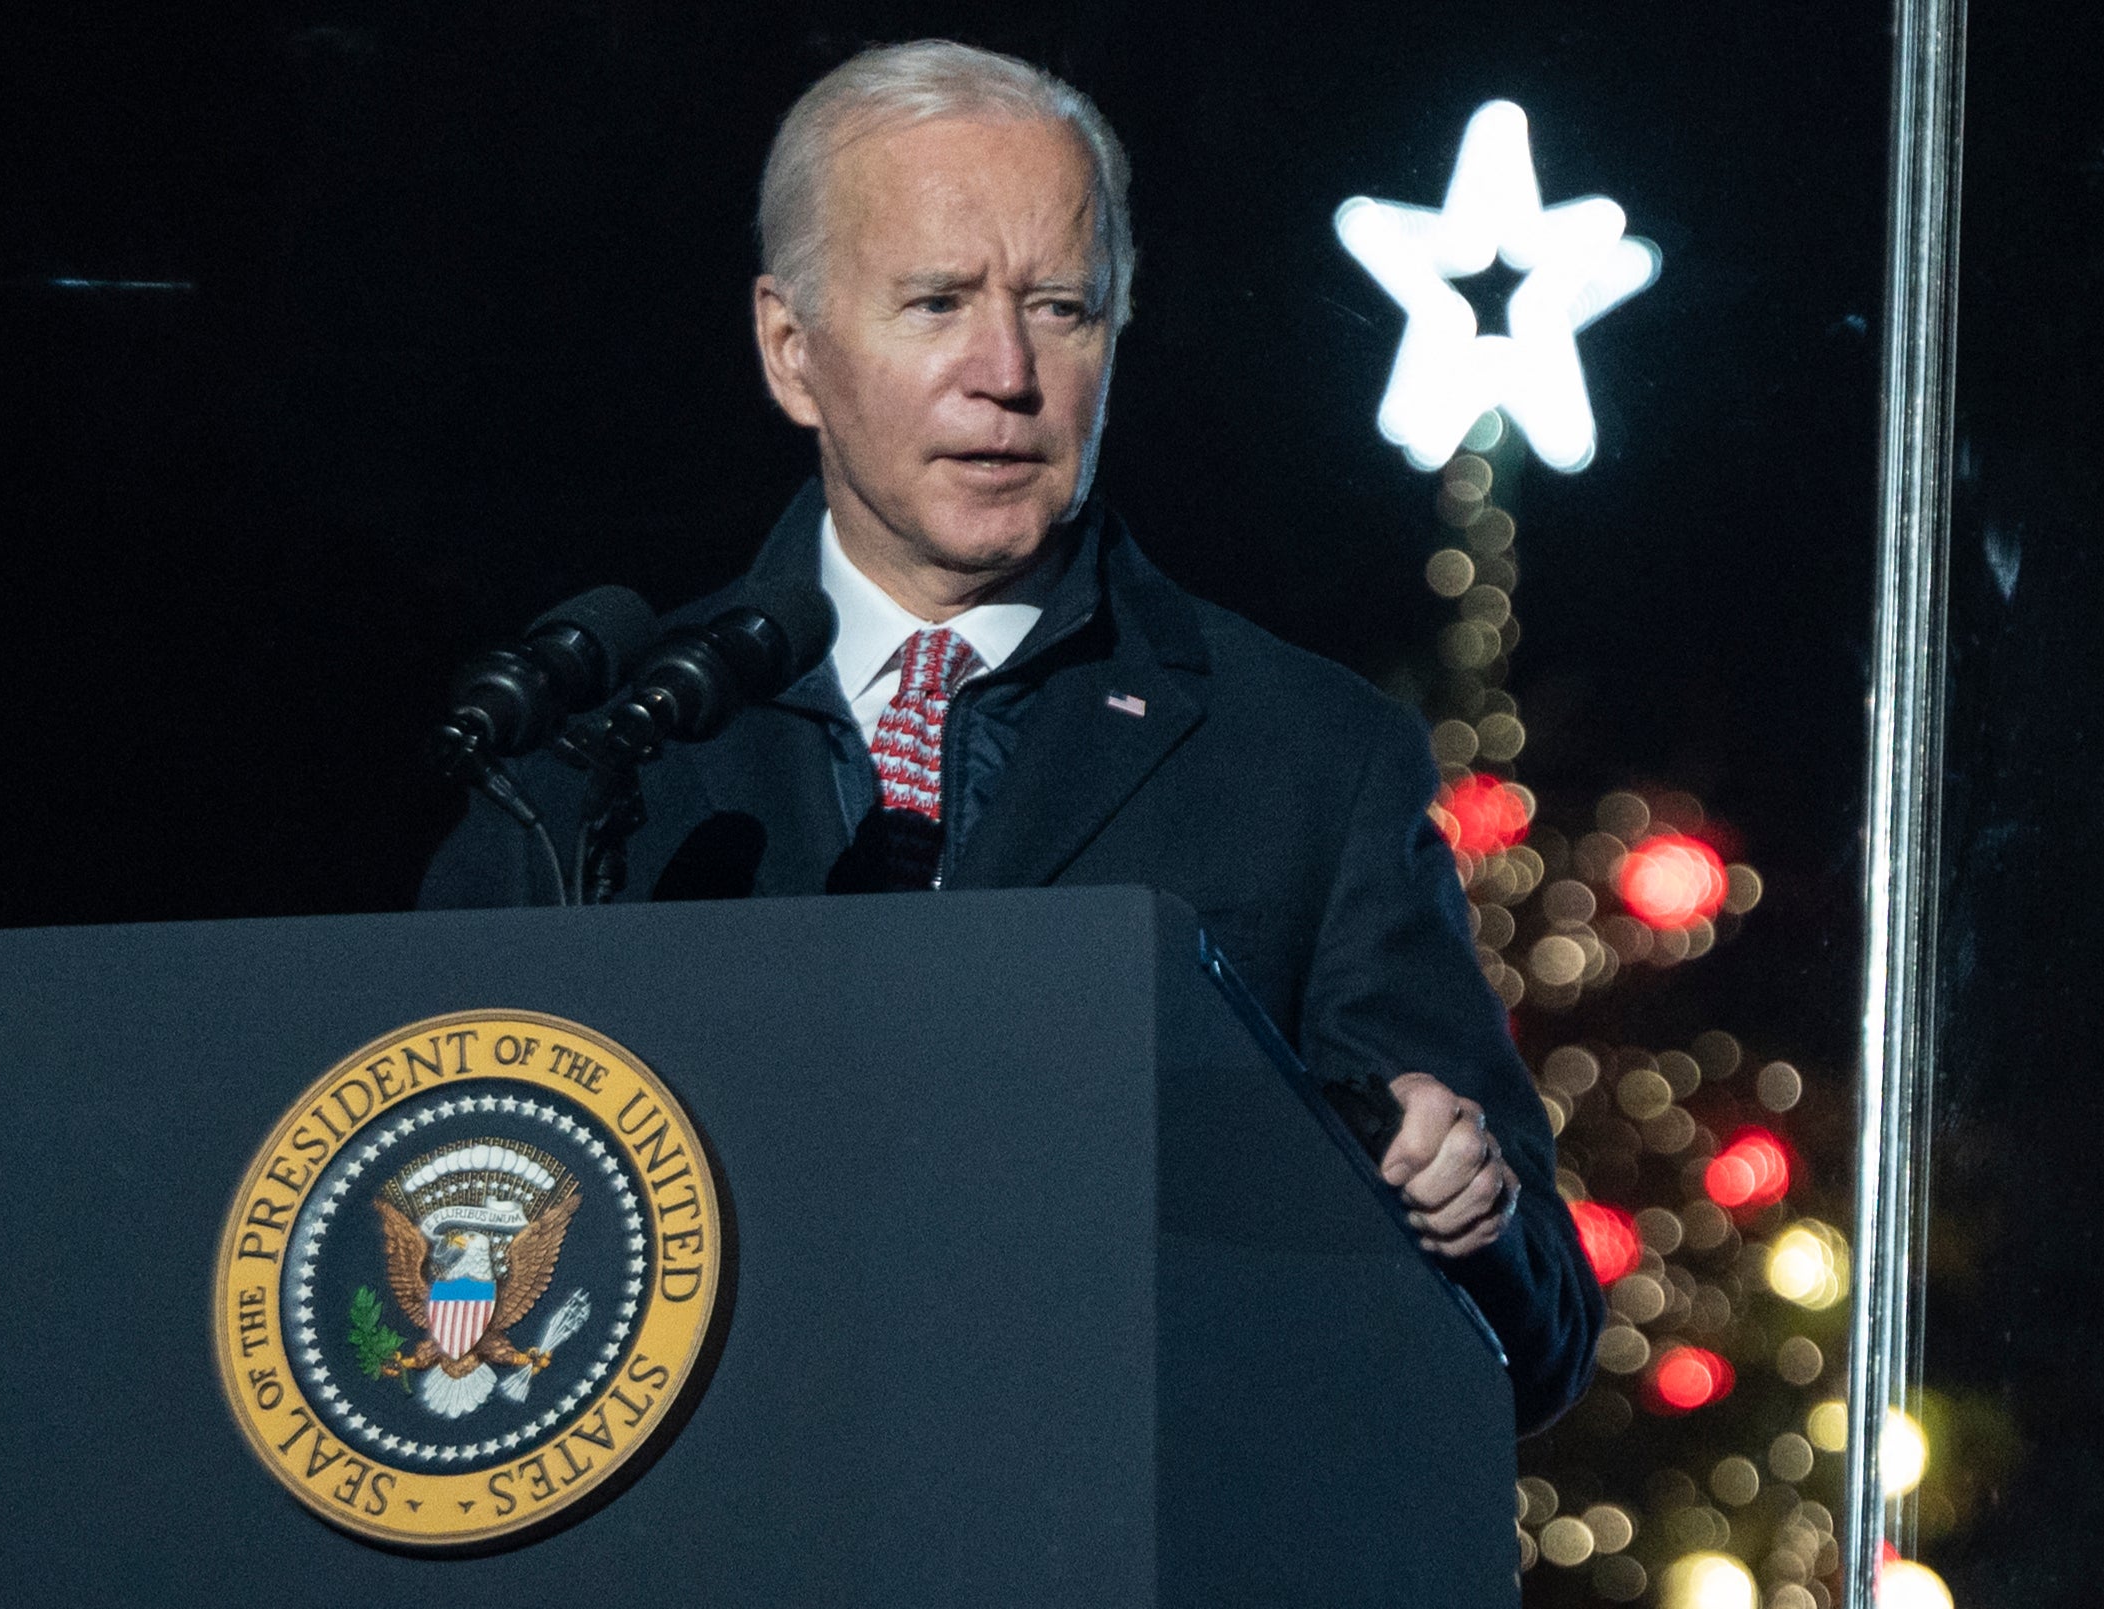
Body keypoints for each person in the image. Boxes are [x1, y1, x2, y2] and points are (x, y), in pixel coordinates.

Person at [422, 39, 1602, 1431]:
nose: (1007, 372)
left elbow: (1538, 1340)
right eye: (935, 303)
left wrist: (1468, 1211)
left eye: (1060, 307)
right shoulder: (599, 763)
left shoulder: (1309, 755)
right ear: (790, 350)